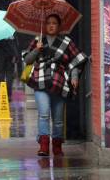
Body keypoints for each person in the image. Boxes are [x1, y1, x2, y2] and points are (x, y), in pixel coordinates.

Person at [22, 13, 88, 157]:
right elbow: (27, 60)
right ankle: (44, 145)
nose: (51, 25)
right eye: (48, 23)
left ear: (59, 26)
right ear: (44, 25)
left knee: (58, 119)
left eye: (54, 23)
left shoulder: (67, 42)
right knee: (43, 114)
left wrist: (75, 77)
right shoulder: (38, 40)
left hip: (60, 82)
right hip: (40, 81)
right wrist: (36, 50)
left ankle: (57, 146)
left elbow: (75, 61)